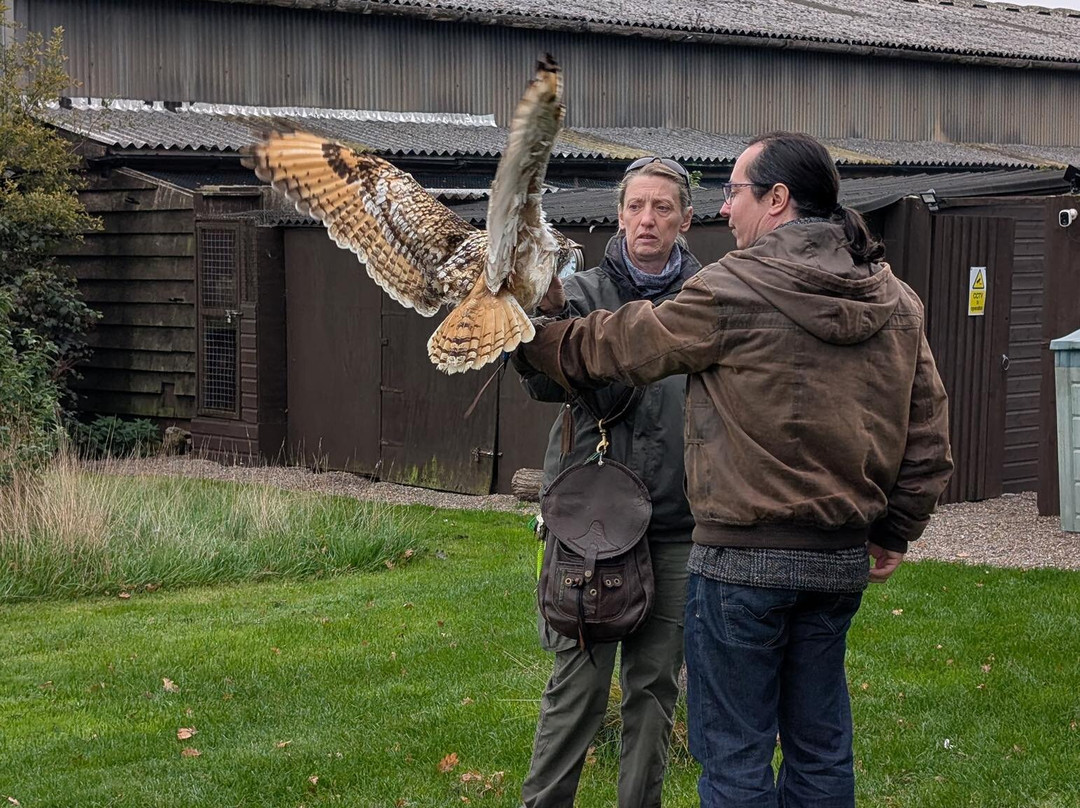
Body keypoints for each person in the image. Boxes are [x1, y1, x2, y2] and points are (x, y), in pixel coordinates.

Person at [516, 132, 954, 807]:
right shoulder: (894, 298)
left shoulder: (737, 286)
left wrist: (530, 334)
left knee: (736, 755)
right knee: (820, 746)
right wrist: (896, 528)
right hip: (838, 563)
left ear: (778, 199)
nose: (727, 210)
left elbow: (623, 344)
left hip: (739, 562)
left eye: (737, 193)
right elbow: (927, 432)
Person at [515, 157, 702, 808]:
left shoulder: (713, 296)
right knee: (579, 689)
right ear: (619, 215)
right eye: (635, 207)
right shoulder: (583, 293)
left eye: (661, 207)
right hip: (591, 525)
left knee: (654, 691)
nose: (647, 219)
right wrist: (536, 321)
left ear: (685, 218)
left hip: (679, 522)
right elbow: (541, 382)